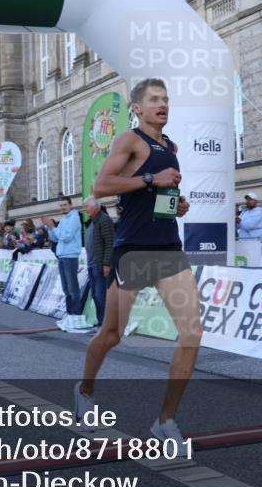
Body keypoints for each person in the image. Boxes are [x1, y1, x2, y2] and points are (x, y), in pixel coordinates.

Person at [75, 77, 196, 456]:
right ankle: (85, 391)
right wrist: (150, 178)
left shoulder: (171, 147)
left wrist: (176, 205)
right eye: (154, 99)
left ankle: (165, 422)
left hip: (169, 248)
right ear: (138, 109)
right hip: (134, 250)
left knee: (192, 333)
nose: (163, 104)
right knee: (112, 334)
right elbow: (101, 186)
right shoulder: (129, 140)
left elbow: (160, 196)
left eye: (166, 99)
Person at [44, 197, 85, 329]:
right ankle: (70, 314)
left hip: (70, 256)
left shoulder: (74, 218)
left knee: (72, 288)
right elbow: (56, 238)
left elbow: (66, 237)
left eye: (65, 205)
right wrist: (50, 228)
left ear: (71, 205)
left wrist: (53, 227)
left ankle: (75, 315)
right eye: (61, 205)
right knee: (66, 289)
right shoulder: (64, 219)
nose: (63, 207)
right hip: (62, 256)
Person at [84, 197, 115, 328]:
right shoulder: (93, 221)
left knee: (100, 295)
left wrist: (106, 264)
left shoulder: (104, 220)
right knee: (95, 295)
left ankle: (106, 323)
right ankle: (101, 321)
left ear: (96, 206)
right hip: (91, 264)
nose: (85, 210)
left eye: (87, 206)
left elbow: (109, 243)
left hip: (99, 265)